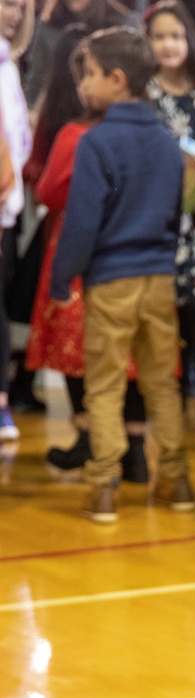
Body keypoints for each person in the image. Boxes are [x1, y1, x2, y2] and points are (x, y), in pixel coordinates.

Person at [50, 27, 194, 523]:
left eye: (89, 75)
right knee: (162, 385)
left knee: (106, 385)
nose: (84, 86)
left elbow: (82, 223)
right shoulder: (167, 142)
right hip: (158, 281)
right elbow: (177, 214)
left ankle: (104, 485)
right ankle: (176, 482)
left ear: (116, 79)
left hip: (110, 281)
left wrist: (60, 279)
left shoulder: (97, 142)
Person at [25, 24, 148, 479]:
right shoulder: (150, 132)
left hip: (79, 254)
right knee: (131, 354)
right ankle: (136, 447)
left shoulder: (78, 135)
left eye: (89, 74)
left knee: (77, 350)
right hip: (134, 254)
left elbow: (51, 192)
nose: (82, 85)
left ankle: (88, 438)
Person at [146, 0, 195, 438]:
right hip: (155, 220)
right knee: (163, 315)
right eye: (159, 36)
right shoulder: (143, 91)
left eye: (175, 35)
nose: (168, 45)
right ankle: (168, 402)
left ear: (189, 39)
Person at [0, 0, 33, 444]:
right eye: (8, 3)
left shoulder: (8, 62)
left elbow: (16, 138)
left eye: (23, 6)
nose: (14, 13)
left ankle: (2, 402)